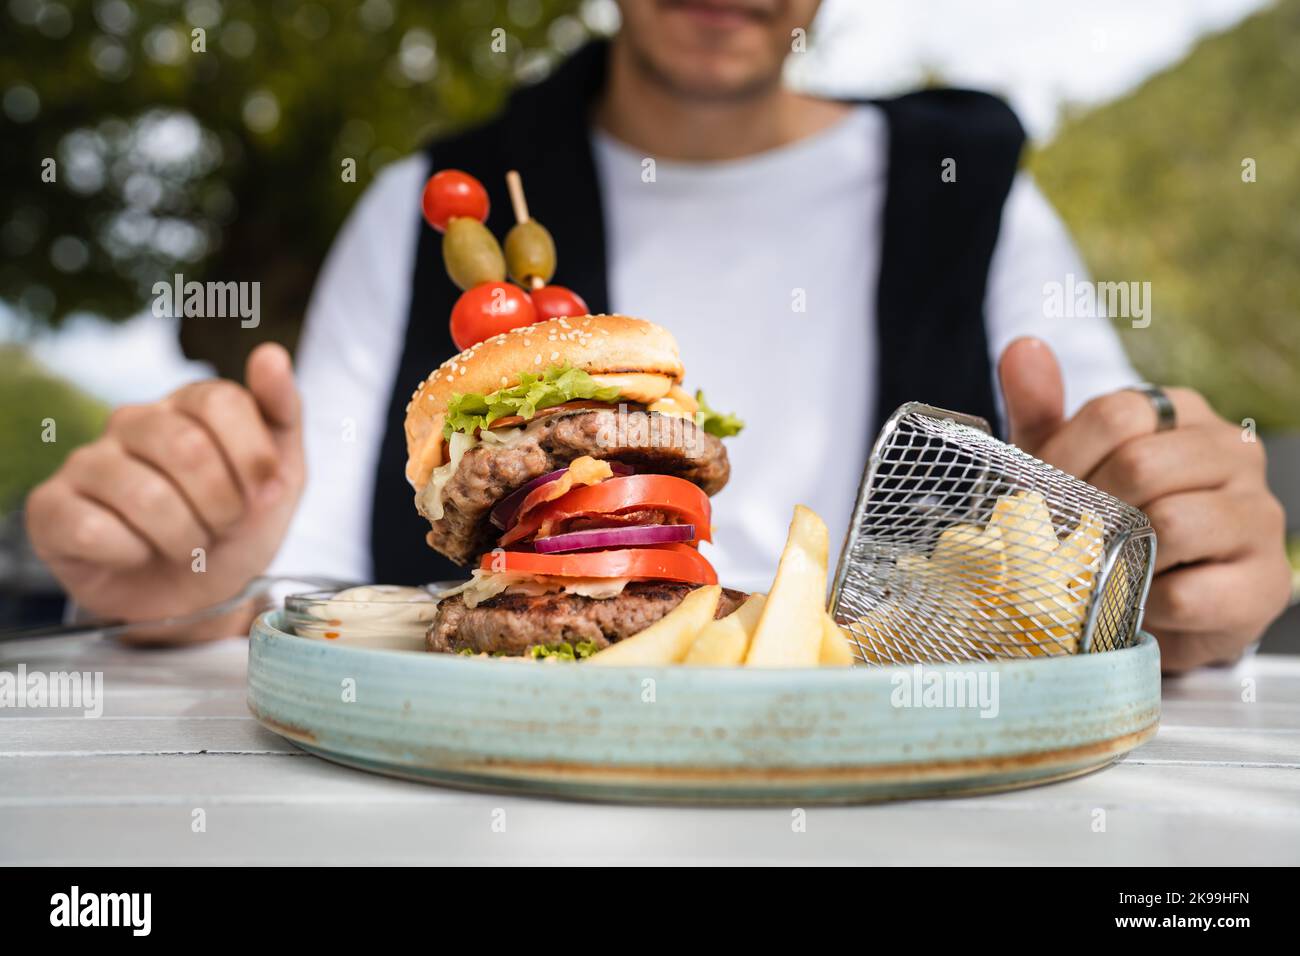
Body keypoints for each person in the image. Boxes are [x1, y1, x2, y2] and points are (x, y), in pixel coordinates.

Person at [24, 0, 1290, 671]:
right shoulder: (429, 199)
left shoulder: (974, 183)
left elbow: (1119, 502)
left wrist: (1179, 556)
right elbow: (287, 594)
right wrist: (191, 572)